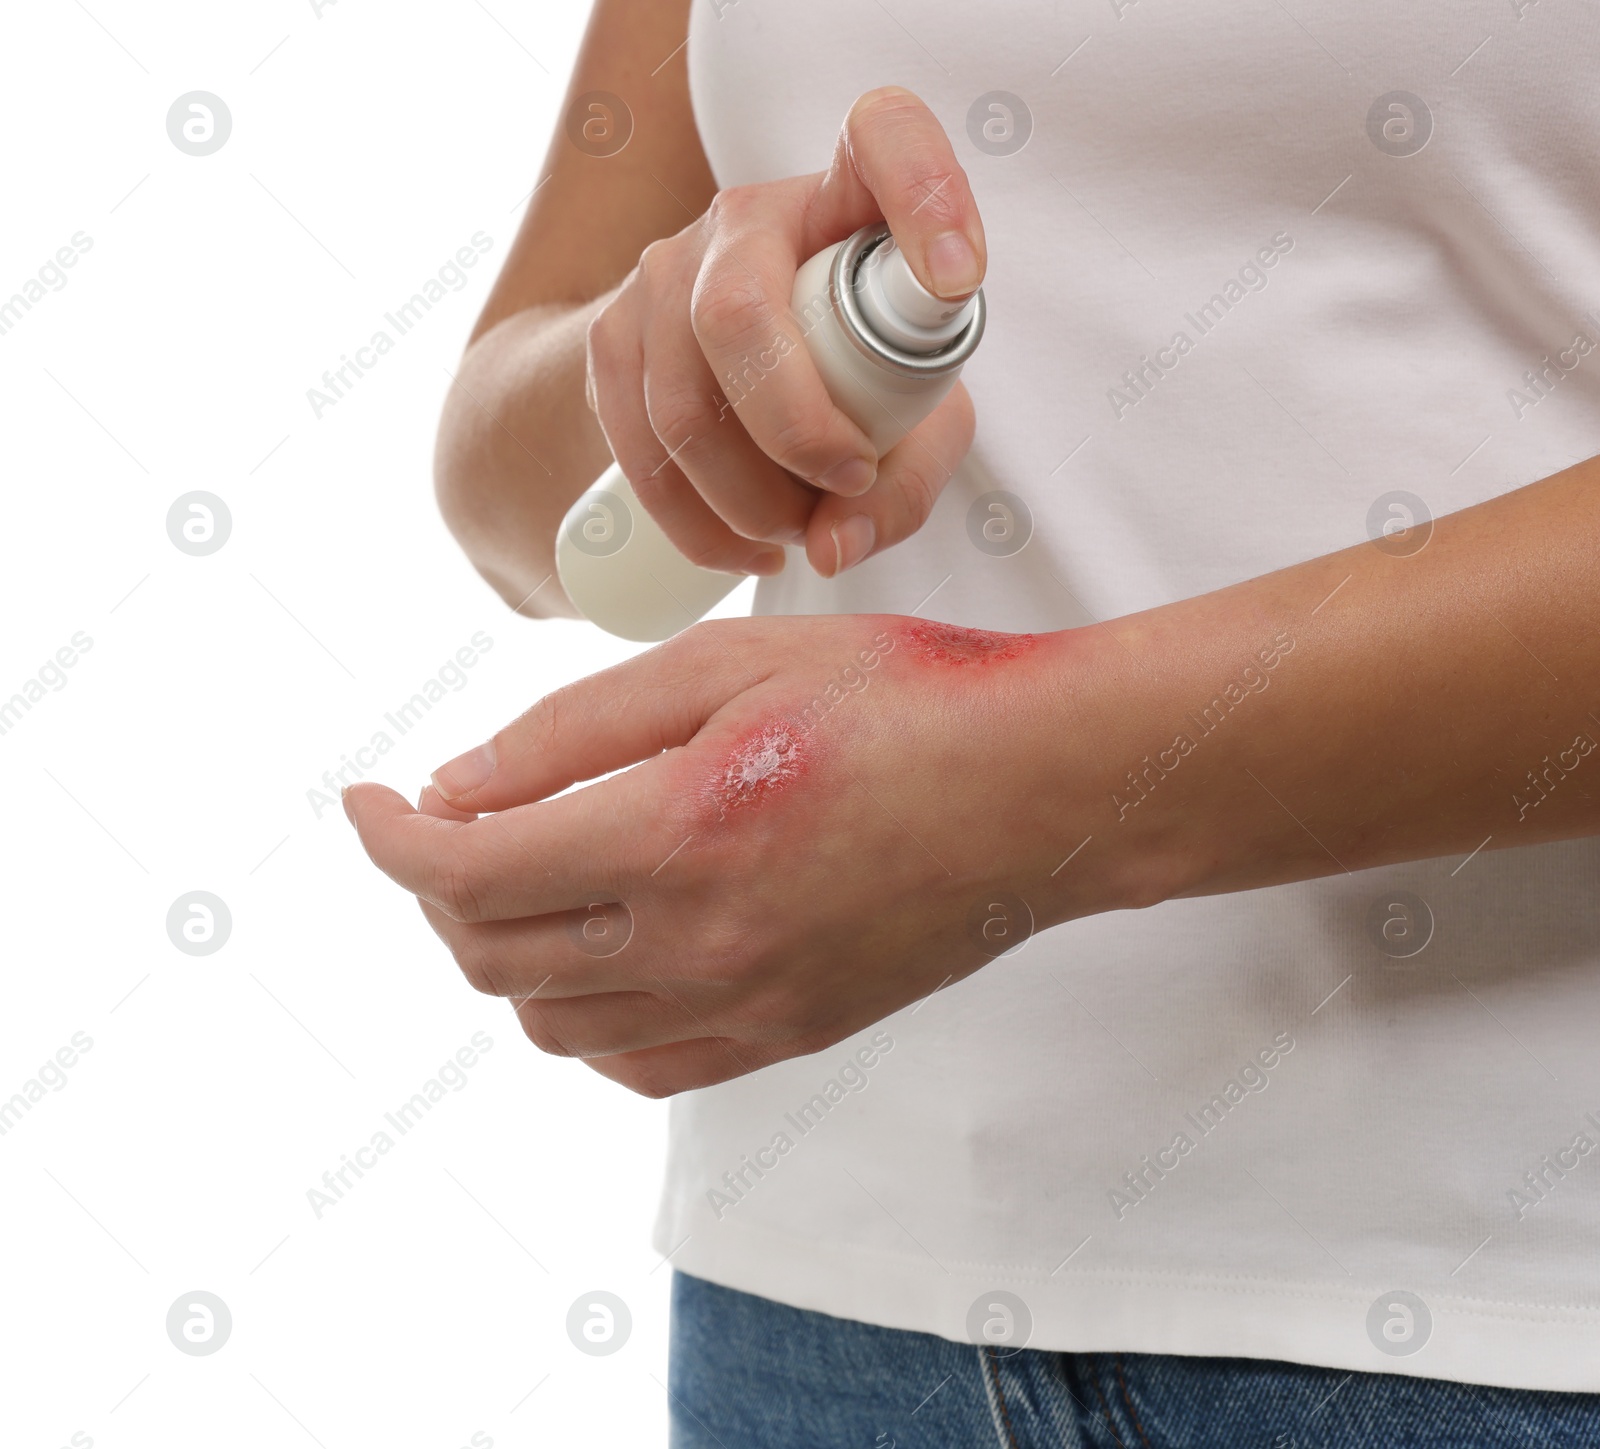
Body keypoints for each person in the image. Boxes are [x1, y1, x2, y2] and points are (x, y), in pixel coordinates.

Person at [345, 0, 1600, 1443]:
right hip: (823, 1318)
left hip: (1507, 1311)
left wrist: (1030, 797)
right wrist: (682, 367)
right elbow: (501, 483)